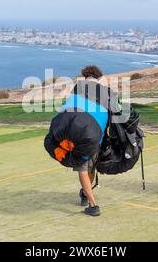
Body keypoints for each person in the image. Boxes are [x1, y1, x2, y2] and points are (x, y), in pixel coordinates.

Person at [62, 66, 121, 216]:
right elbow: (117, 111)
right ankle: (84, 193)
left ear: (85, 76)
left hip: (80, 134)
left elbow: (68, 110)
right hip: (98, 135)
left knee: (82, 168)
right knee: (91, 167)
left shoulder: (78, 87)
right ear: (98, 77)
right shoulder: (106, 91)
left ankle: (93, 205)